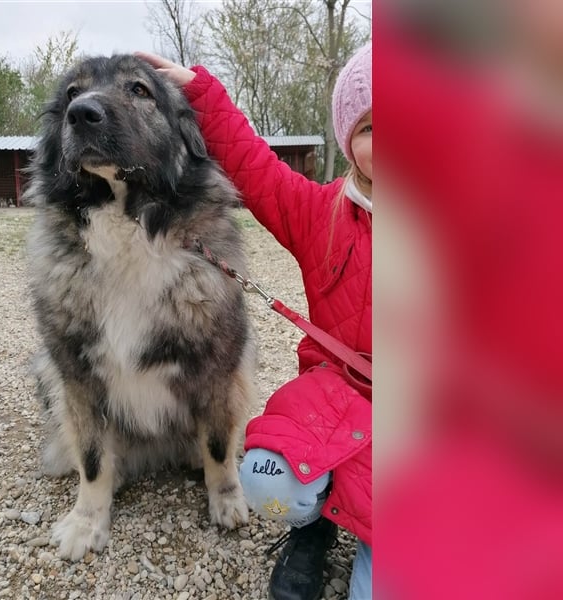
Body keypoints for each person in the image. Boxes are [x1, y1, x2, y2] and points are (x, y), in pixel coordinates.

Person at [136, 42, 372, 600]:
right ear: (348, 140)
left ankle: (373, 535)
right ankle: (311, 530)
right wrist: (200, 92)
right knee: (270, 475)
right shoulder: (321, 213)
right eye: (369, 125)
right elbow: (254, 165)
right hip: (338, 396)